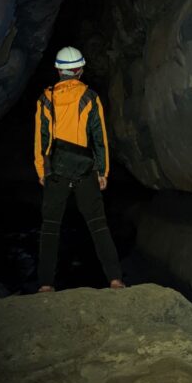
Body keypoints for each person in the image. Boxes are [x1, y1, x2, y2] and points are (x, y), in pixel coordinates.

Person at [34, 46, 125, 293]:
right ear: (79, 70)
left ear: (58, 71)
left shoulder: (46, 98)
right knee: (98, 225)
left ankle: (45, 285)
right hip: (85, 169)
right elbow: (99, 137)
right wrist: (102, 171)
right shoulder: (90, 97)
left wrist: (42, 170)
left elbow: (41, 139)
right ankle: (115, 280)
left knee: (50, 227)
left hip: (56, 171)